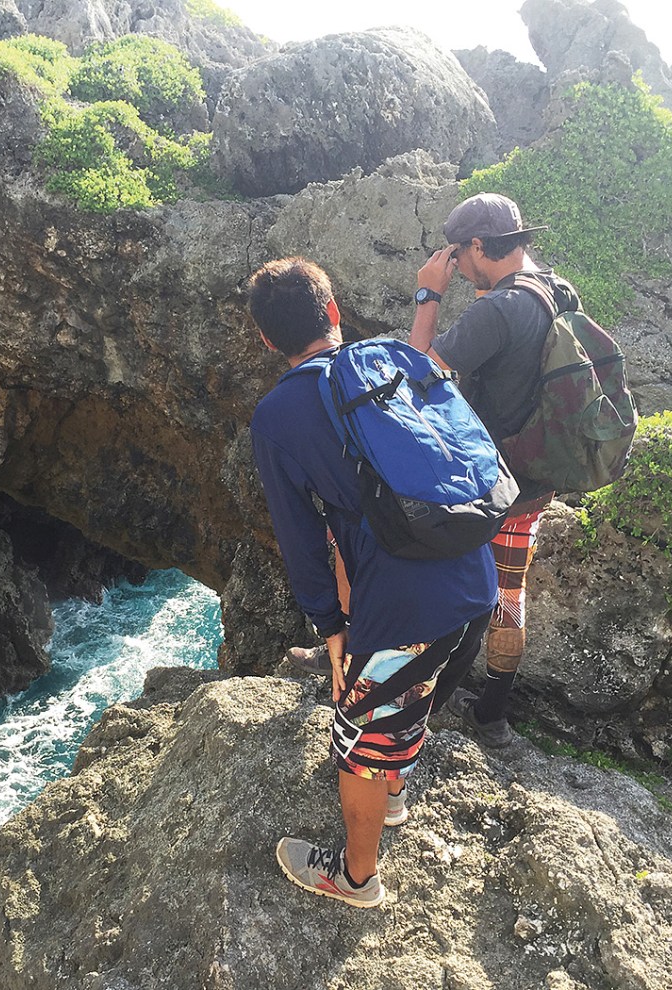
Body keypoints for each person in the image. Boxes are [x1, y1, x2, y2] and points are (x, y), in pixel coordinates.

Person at [247, 257, 496, 909]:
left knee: (359, 740)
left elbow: (301, 539)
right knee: (412, 695)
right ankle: (394, 802)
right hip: (475, 573)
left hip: (405, 599)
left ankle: (356, 880)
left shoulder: (276, 416)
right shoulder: (391, 357)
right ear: (334, 314)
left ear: (270, 341)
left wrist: (329, 627)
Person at [408, 192, 580, 748]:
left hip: (487, 483)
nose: (456, 266)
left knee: (446, 586)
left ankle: (420, 700)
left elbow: (420, 374)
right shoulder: (555, 289)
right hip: (535, 479)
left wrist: (427, 294)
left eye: (459, 255)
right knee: (509, 593)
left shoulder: (498, 310)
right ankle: (493, 713)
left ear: (480, 245)